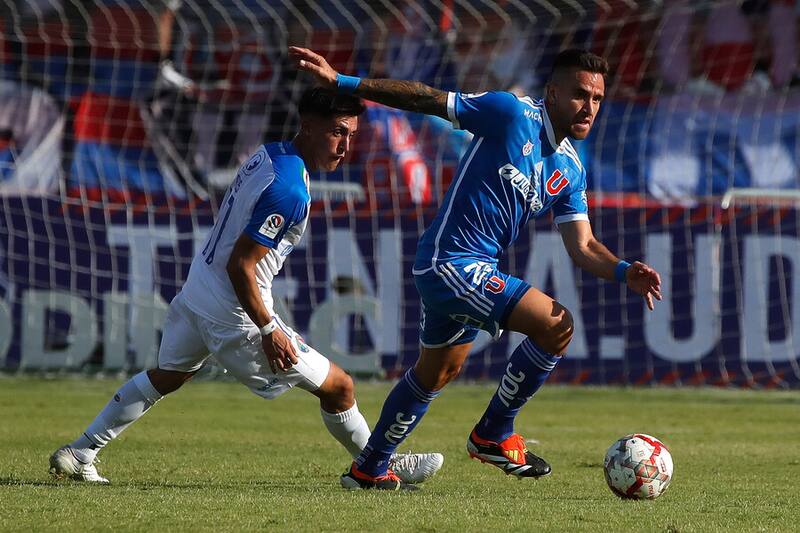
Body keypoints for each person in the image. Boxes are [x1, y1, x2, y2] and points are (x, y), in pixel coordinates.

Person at [290, 46, 662, 490]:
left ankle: (368, 468)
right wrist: (344, 82)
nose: (589, 107)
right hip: (450, 262)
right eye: (580, 94)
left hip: (468, 268)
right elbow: (426, 98)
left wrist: (623, 271)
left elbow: (582, 245)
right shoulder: (509, 113)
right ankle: (493, 433)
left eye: (598, 99)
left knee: (436, 374)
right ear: (552, 93)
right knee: (557, 326)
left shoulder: (570, 169)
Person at [48, 87, 443, 487]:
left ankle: (81, 450)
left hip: (200, 289)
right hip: (233, 310)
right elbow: (242, 265)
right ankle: (375, 466)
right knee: (340, 387)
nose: (345, 146)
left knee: (168, 375)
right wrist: (270, 329)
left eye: (352, 135)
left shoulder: (269, 154)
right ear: (308, 126)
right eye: (338, 132)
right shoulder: (290, 191)